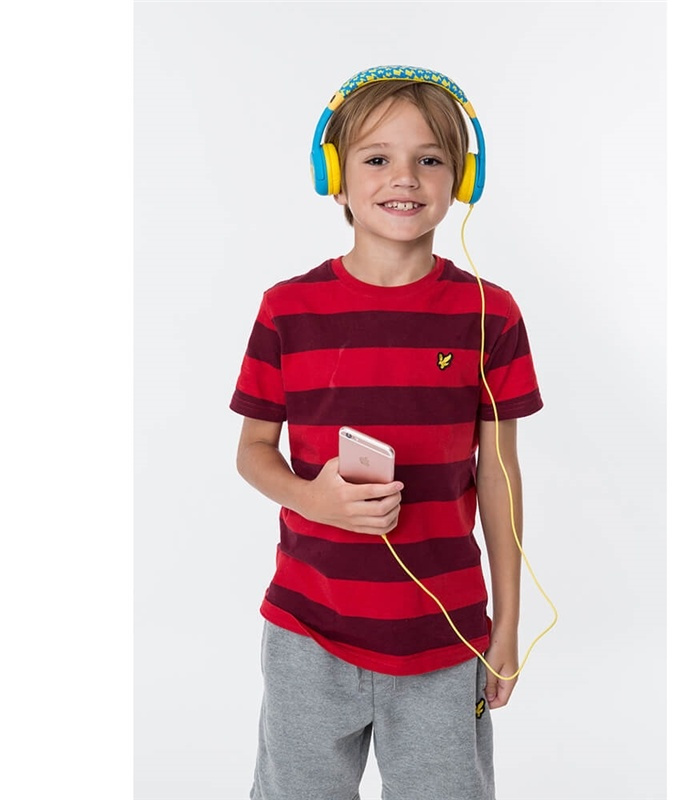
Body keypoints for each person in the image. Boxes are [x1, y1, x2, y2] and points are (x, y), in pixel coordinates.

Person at [230, 65, 544, 800]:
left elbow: (498, 477)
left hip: (445, 637)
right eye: (376, 158)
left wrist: (505, 624)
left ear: (462, 178)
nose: (404, 177)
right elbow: (252, 452)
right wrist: (313, 499)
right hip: (308, 634)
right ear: (334, 177)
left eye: (430, 158)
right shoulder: (286, 310)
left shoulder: (490, 314)